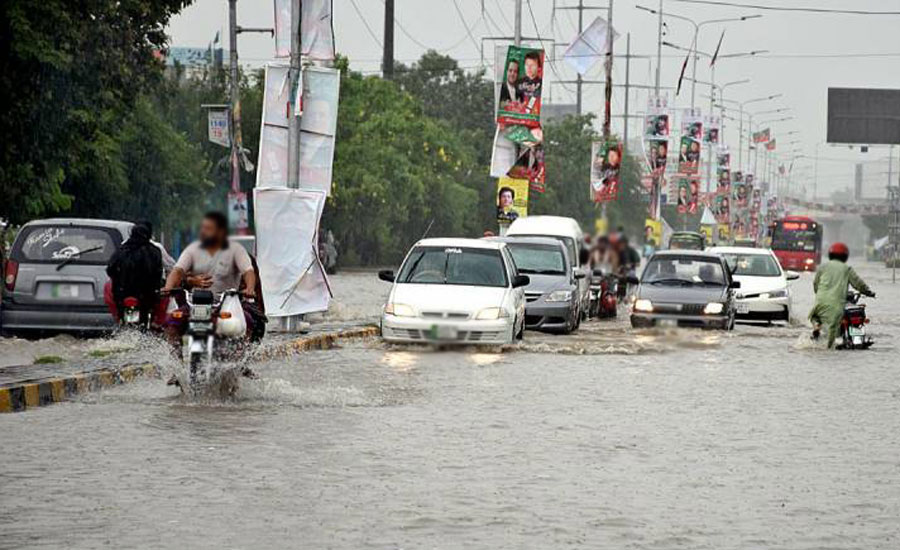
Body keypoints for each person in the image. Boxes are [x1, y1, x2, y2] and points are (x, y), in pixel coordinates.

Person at [162, 211, 258, 341]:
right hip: (194, 305)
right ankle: (175, 359)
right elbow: (177, 271)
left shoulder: (236, 250)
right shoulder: (192, 249)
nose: (204, 232)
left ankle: (240, 358)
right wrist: (168, 288)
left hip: (225, 305)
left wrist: (250, 288)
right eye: (203, 228)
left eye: (208, 229)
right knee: (172, 321)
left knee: (247, 321)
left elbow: (248, 272)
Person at [809, 242, 875, 348]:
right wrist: (868, 292)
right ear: (845, 256)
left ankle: (817, 326)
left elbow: (815, 284)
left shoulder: (823, 267)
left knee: (814, 316)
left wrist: (819, 293)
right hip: (837, 304)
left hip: (821, 301)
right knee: (833, 327)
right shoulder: (847, 269)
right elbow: (859, 284)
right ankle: (830, 346)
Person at [106, 221, 163, 326]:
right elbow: (158, 274)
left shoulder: (121, 250)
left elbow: (110, 270)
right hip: (146, 296)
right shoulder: (154, 251)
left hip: (121, 295)